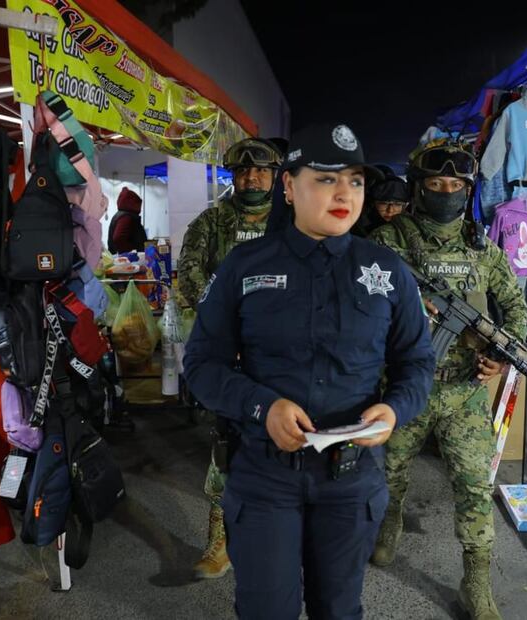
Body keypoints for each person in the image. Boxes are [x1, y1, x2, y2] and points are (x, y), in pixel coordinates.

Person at [183, 122, 435, 619]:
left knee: (337, 610)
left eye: (355, 180)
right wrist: (263, 406)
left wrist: (393, 408)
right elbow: (201, 364)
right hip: (264, 476)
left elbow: (417, 363)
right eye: (325, 179)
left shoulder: (387, 271)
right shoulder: (244, 265)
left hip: (350, 481)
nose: (345, 192)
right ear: (289, 187)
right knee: (266, 610)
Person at [368, 138, 527, 620]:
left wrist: (501, 357)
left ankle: (476, 584)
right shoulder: (387, 242)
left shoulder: (483, 248)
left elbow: (516, 308)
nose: (445, 192)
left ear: (467, 189)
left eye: (455, 185)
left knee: (475, 486)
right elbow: (359, 310)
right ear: (419, 187)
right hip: (403, 388)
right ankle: (388, 525)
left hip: (463, 393)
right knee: (390, 473)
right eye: (435, 184)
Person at [176, 136, 285, 579]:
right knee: (226, 446)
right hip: (234, 356)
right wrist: (220, 332)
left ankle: (281, 541)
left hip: (284, 357)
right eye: (242, 171)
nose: (251, 177)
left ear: (276, 176)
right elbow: (189, 277)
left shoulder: (292, 222)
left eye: (260, 171)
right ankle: (218, 543)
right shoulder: (212, 222)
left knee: (289, 445)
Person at [351, 165, 409, 237]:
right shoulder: (357, 223)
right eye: (384, 204)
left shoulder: (410, 225)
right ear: (373, 203)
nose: (390, 210)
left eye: (397, 204)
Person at [107, 187, 147, 254]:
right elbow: (118, 238)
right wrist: (131, 253)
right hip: (128, 261)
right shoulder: (126, 217)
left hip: (123, 259)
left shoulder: (121, 215)